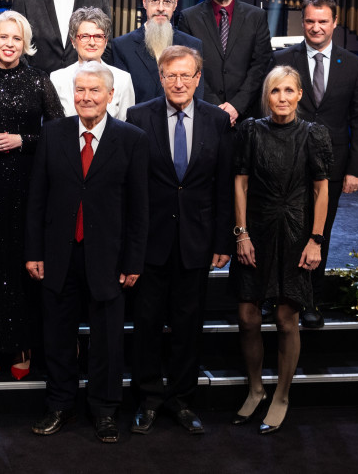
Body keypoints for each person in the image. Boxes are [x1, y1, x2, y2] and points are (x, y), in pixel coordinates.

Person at [25, 61, 149, 443]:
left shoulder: (132, 139)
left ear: (110, 96)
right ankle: (59, 405)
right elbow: (37, 199)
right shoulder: (53, 133)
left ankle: (105, 411)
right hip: (59, 253)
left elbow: (139, 208)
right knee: (58, 336)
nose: (86, 97)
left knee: (108, 339)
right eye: (80, 91)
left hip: (108, 258)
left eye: (95, 90)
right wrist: (34, 252)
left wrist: (133, 260)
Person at [125, 46, 234, 436]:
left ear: (198, 78)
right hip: (151, 242)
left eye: (186, 75)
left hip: (198, 240)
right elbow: (131, 190)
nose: (179, 83)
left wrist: (224, 240)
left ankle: (183, 401)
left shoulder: (217, 121)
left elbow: (223, 186)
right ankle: (149, 400)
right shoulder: (139, 117)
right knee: (147, 324)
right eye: (171, 75)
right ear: (160, 77)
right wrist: (131, 248)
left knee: (189, 326)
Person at [231, 65, 331, 434]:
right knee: (247, 316)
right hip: (255, 230)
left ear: (300, 95)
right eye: (276, 91)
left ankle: (282, 395)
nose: (282, 98)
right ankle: (256, 389)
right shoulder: (250, 131)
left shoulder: (313, 135)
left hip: (296, 234)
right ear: (266, 96)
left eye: (289, 91)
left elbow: (321, 190)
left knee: (287, 319)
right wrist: (241, 234)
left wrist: (316, 240)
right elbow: (239, 184)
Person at [0, 10, 64, 381]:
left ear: (26, 44)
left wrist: (24, 140)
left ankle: (22, 343)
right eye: (3, 37)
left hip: (29, 180)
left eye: (16, 38)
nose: (9, 44)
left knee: (24, 263)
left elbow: (57, 135)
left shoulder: (40, 82)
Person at [272, 0, 358, 328]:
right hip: (288, 162)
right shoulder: (284, 59)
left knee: (319, 233)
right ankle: (283, 298)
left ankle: (311, 300)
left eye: (323, 21)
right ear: (303, 22)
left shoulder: (352, 64)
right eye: (310, 21)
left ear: (335, 23)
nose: (316, 27)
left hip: (332, 166)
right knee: (285, 233)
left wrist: (355, 169)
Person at [178, 0, 273, 125]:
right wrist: (216, 107)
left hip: (246, 118)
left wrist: (236, 106)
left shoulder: (257, 17)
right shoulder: (188, 18)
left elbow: (260, 66)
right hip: (203, 114)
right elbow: (188, 68)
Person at [105, 0, 204, 104]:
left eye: (167, 2)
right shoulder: (122, 46)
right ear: (145, 3)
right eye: (155, 1)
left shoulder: (192, 45)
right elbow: (121, 100)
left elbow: (197, 98)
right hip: (137, 123)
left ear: (175, 5)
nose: (161, 8)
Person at [50, 6, 135, 120]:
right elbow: (53, 127)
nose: (92, 42)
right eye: (84, 36)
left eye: (98, 36)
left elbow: (127, 129)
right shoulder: (57, 79)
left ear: (105, 42)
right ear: (73, 41)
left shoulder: (123, 79)